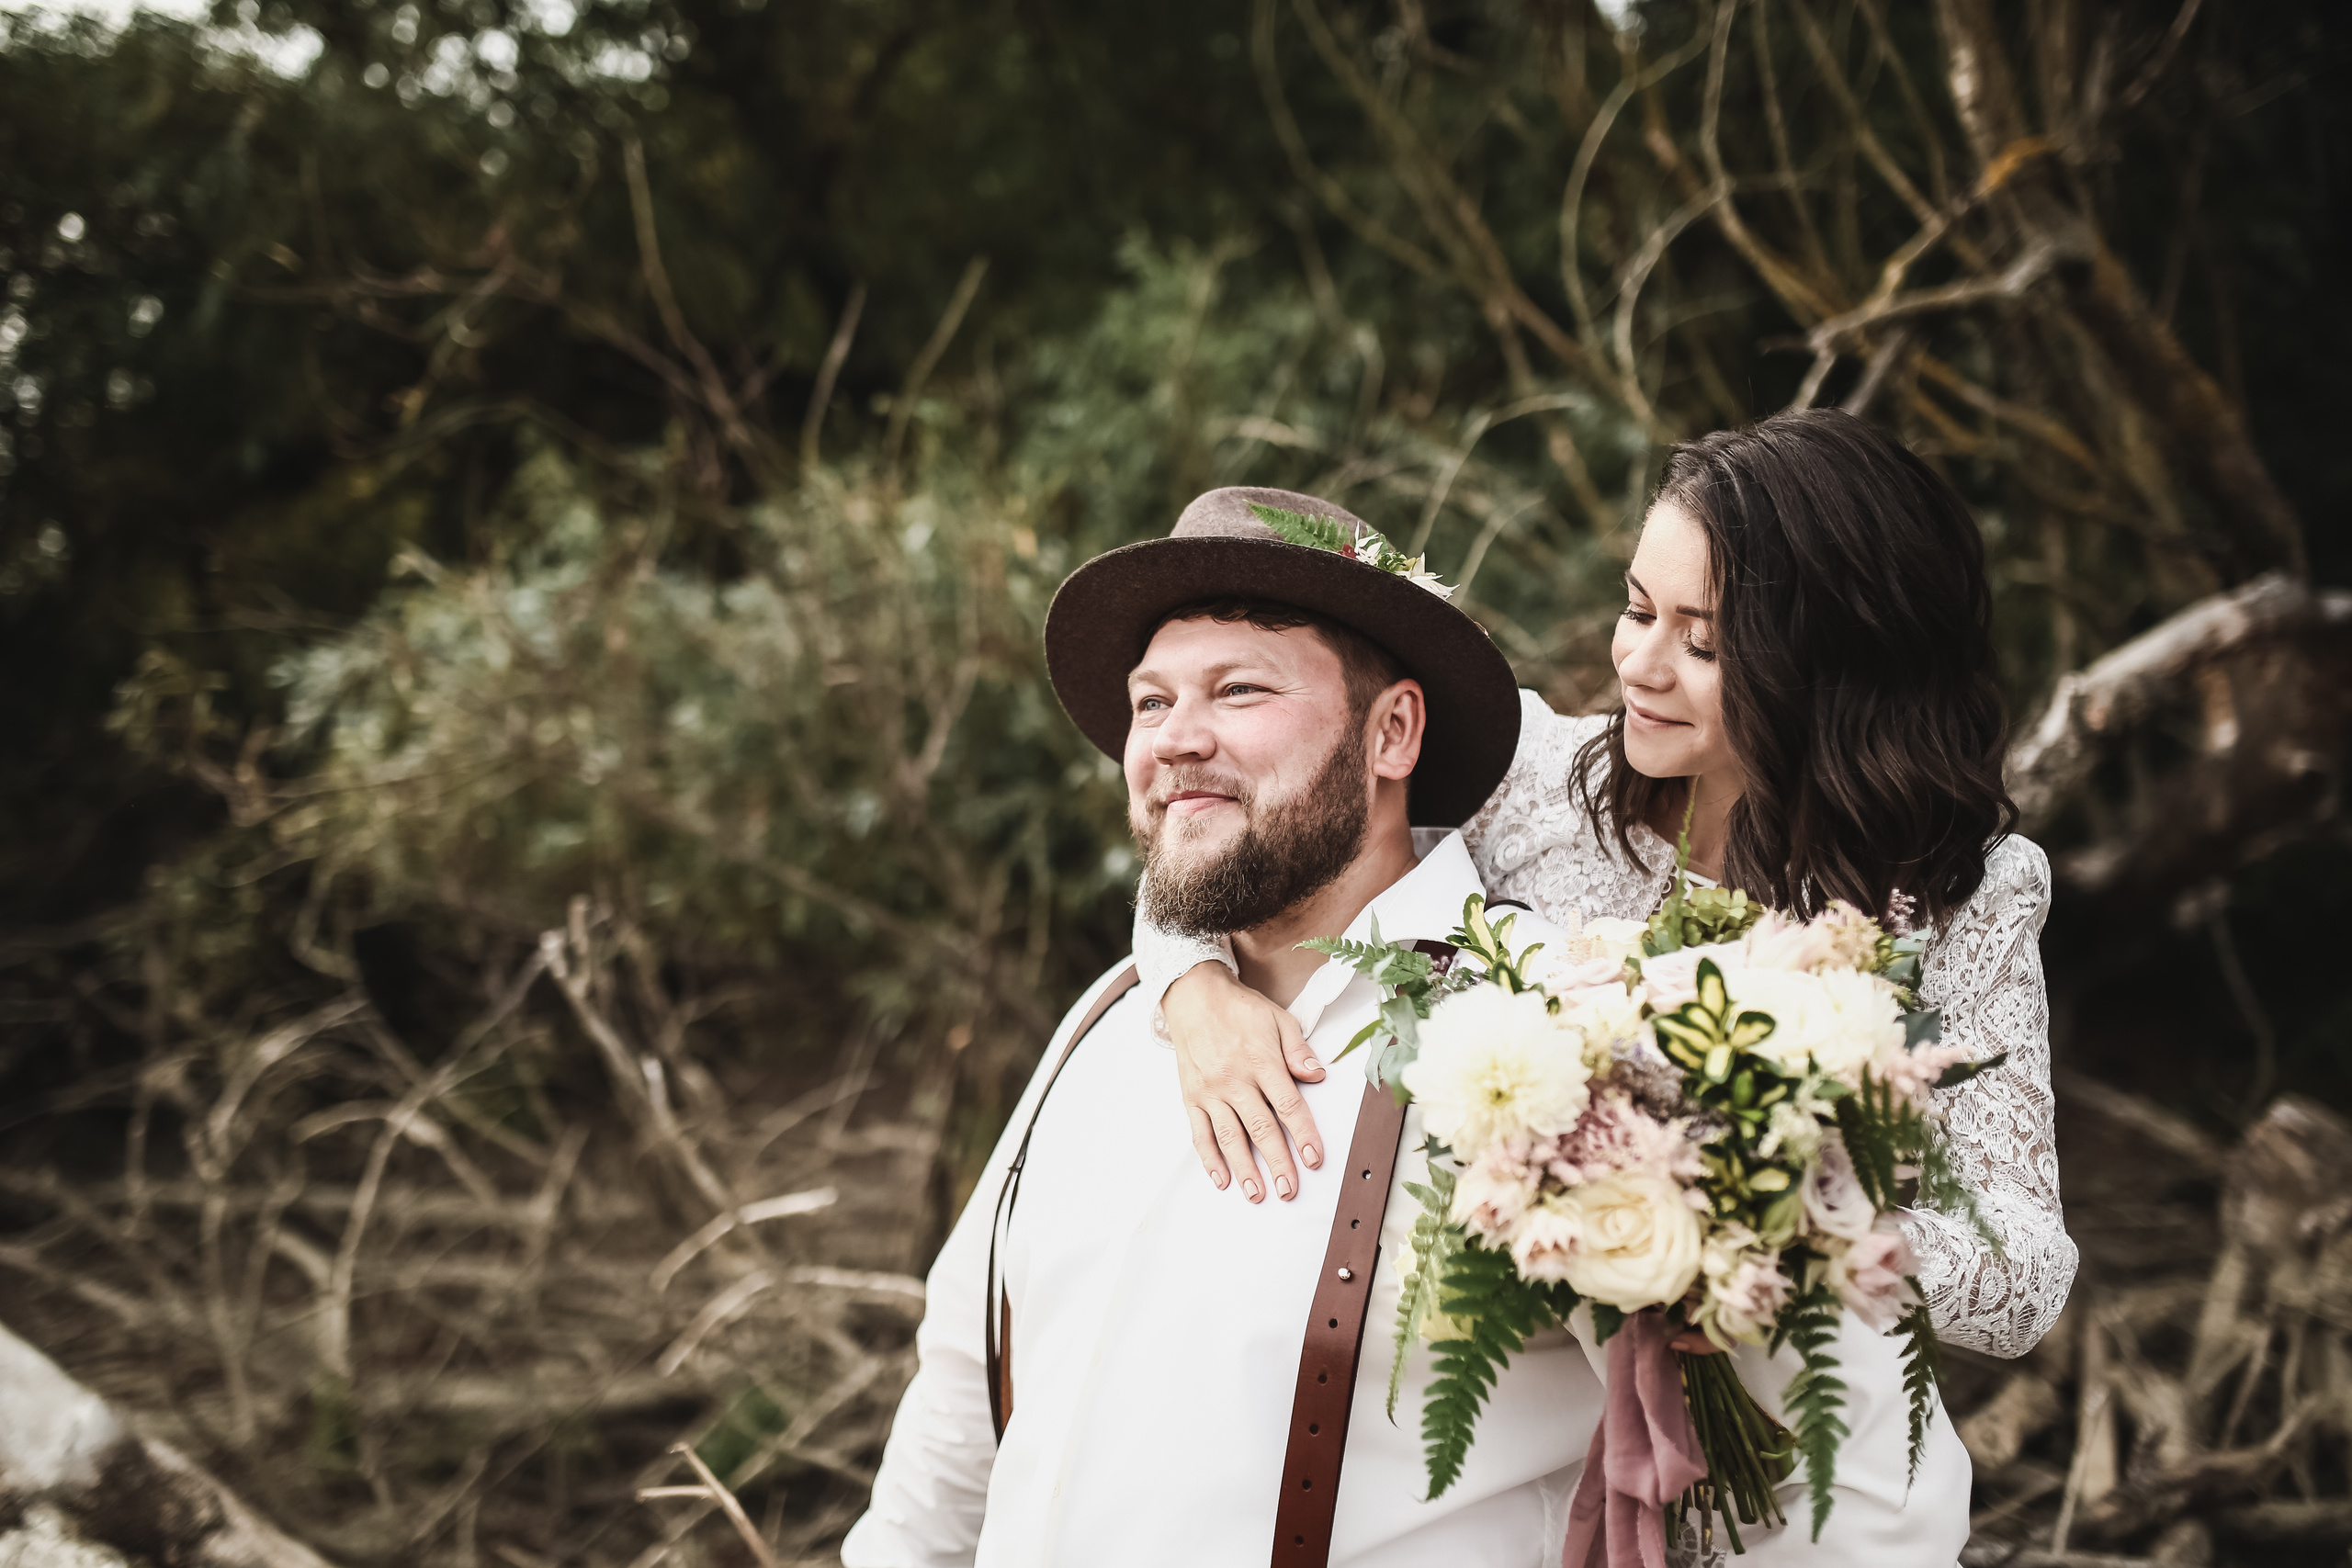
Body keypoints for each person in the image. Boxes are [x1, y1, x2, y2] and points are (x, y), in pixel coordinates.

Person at [1139, 410, 2076, 1563]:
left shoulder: (1961, 897)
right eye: (1637, 609)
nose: (1636, 662)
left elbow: (2026, 1275)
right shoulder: (1532, 779)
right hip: (1537, 1463)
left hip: (1819, 1477)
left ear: (1830, 665)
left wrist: (1758, 1218)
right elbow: (1248, 819)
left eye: (1703, 640)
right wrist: (1190, 985)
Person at [842, 488, 1604, 1568]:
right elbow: (963, 1395)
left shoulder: (1549, 1036)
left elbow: (1743, 1476)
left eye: (1238, 690)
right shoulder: (1107, 1020)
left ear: (1392, 731)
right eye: (1150, 704)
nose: (1173, 741)